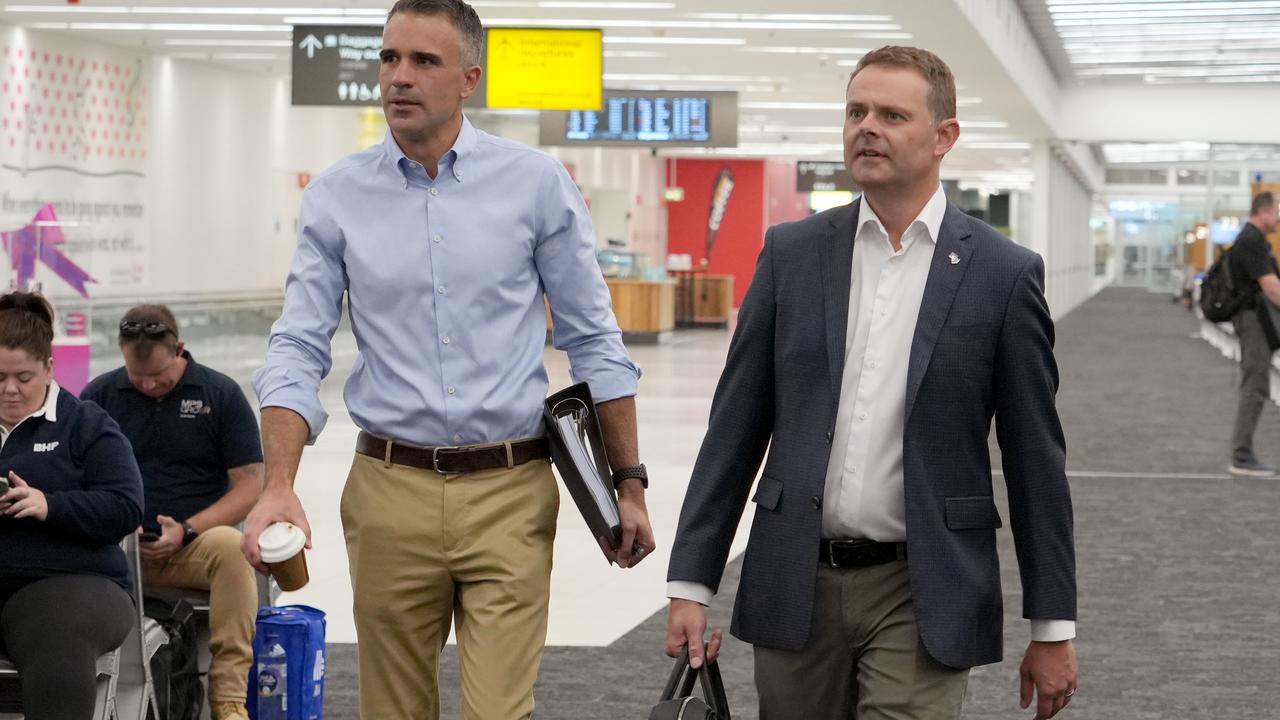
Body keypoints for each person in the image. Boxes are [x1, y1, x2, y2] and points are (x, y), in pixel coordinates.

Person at [240, 1, 655, 717]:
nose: (398, 77)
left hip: (511, 485)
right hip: (387, 488)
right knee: (392, 709)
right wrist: (279, 482)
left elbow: (592, 338)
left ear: (469, 78)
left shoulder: (534, 183)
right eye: (389, 59)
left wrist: (631, 481)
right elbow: (298, 344)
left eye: (423, 62)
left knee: (498, 709)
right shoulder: (339, 195)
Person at [664, 46, 1078, 720]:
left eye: (891, 114)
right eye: (856, 111)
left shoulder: (1003, 274)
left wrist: (1052, 626)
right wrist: (691, 580)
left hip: (924, 587)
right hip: (796, 577)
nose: (867, 127)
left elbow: (1035, 460)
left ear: (944, 137)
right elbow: (735, 428)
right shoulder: (791, 254)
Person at [81, 304, 265, 720]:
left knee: (233, 548)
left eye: (158, 376)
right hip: (115, 549)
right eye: (137, 376)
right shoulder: (98, 397)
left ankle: (228, 700)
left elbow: (252, 485)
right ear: (121, 352)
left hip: (191, 546)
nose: (147, 385)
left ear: (179, 349)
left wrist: (187, 529)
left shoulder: (219, 395)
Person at [0, 291, 143, 720]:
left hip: (72, 583)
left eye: (23, 378)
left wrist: (50, 505)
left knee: (54, 631)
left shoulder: (86, 424)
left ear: (48, 367)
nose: (9, 389)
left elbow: (126, 506)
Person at [1225, 191, 1280, 477]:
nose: (1279, 218)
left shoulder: (1254, 240)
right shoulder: (1252, 241)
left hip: (1255, 321)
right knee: (1254, 385)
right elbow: (1271, 288)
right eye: (1276, 212)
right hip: (1254, 322)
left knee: (1256, 383)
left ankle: (1243, 452)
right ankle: (1242, 455)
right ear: (1263, 211)